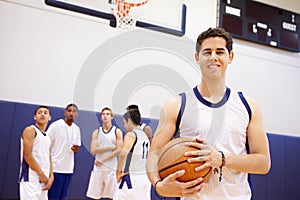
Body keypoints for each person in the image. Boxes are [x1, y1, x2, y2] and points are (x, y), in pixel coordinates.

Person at [146, 27, 271, 199]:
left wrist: (221, 158)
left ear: (230, 57)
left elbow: (263, 163)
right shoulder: (176, 105)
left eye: (220, 52)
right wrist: (159, 185)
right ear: (197, 57)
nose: (213, 57)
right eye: (207, 52)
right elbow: (154, 153)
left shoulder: (249, 106)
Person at [86, 107, 123, 200]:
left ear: (111, 117)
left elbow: (119, 150)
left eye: (107, 114)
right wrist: (110, 147)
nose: (105, 116)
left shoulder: (117, 131)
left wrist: (103, 159)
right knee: (95, 196)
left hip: (112, 168)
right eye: (103, 114)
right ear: (101, 117)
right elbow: (93, 150)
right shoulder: (97, 132)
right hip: (98, 168)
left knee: (113, 196)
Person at [114, 109, 151, 200]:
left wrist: (118, 172)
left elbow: (123, 155)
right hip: (145, 178)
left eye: (124, 123)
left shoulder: (131, 134)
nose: (124, 126)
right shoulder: (145, 136)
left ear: (129, 120)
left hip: (133, 179)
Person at [18, 105, 54, 200]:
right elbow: (27, 155)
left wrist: (51, 176)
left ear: (49, 118)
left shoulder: (48, 136)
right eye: (39, 112)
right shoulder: (30, 130)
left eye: (45, 113)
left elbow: (48, 156)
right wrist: (41, 174)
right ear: (35, 116)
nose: (42, 114)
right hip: (31, 178)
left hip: (44, 180)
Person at [47, 103, 81, 200]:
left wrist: (75, 149)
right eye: (69, 111)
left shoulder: (77, 129)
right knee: (52, 196)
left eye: (74, 111)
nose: (71, 113)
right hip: (55, 168)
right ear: (65, 112)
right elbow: (46, 144)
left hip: (68, 169)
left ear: (77, 114)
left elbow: (77, 147)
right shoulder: (55, 125)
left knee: (62, 196)